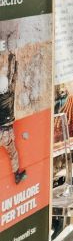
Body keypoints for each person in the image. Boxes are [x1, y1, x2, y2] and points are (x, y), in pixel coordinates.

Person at [0, 51, 26, 184]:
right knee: (13, 154)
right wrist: (14, 61)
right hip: (6, 132)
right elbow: (13, 77)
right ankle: (17, 176)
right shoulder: (10, 94)